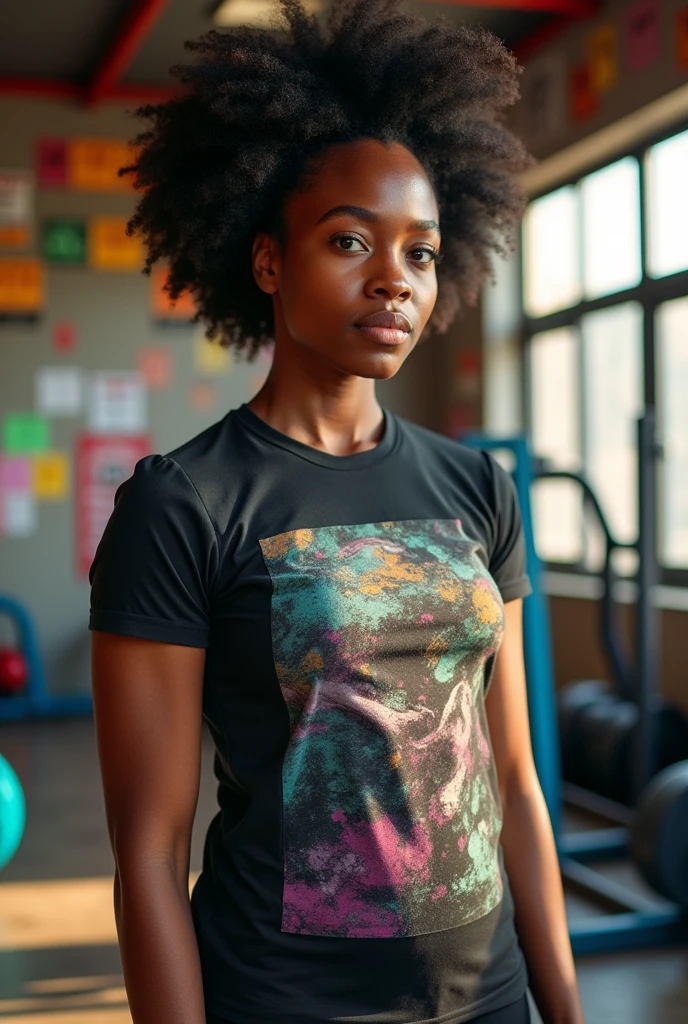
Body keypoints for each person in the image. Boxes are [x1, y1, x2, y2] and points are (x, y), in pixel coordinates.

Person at [89, 2, 585, 1022]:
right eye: (350, 240)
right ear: (268, 261)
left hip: (488, 997)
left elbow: (516, 787)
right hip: (283, 999)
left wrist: (563, 1006)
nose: (393, 280)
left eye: (421, 251)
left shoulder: (478, 490)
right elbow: (147, 854)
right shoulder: (184, 504)